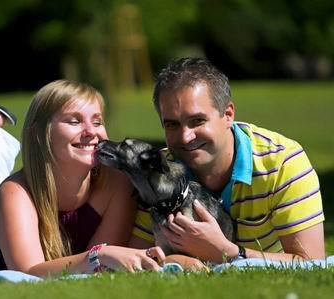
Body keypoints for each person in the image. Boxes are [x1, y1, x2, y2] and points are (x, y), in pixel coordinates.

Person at [0, 80, 165, 277]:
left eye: (97, 121)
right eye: (74, 121)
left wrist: (101, 258)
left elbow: (98, 269)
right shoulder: (14, 193)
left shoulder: (118, 183)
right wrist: (99, 256)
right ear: (39, 134)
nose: (91, 132)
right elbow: (27, 273)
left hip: (4, 215)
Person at [131, 57, 325, 263]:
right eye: (172, 125)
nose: (185, 137)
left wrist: (228, 252)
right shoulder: (157, 172)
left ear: (228, 114)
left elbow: (312, 263)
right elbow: (137, 258)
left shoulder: (282, 162)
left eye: (197, 120)